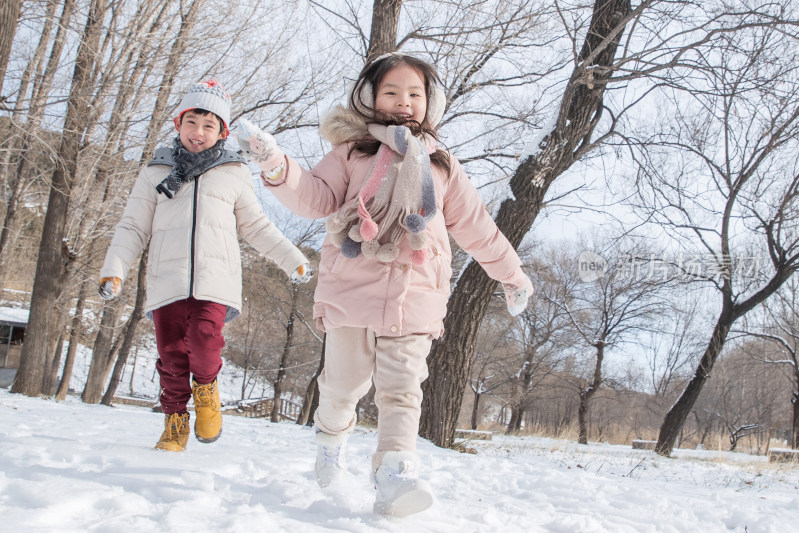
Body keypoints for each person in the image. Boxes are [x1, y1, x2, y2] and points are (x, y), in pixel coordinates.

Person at [235, 53, 532, 516]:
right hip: (352, 289)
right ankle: (331, 440)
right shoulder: (352, 153)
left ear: (429, 104)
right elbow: (315, 197)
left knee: (402, 387)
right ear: (371, 98)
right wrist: (276, 164)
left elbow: (477, 228)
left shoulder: (441, 164)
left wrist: (512, 275)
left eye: (415, 94)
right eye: (391, 92)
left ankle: (394, 476)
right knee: (342, 386)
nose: (403, 102)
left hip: (416, 292)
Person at [98, 79, 312, 453]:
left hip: (216, 280)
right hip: (167, 279)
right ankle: (175, 422)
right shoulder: (155, 172)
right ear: (178, 124)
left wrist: (292, 259)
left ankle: (208, 393)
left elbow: (257, 227)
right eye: (191, 122)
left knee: (203, 342)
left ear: (222, 132)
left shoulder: (233, 173)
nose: (199, 132)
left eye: (209, 125)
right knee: (171, 356)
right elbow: (132, 226)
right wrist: (114, 269)